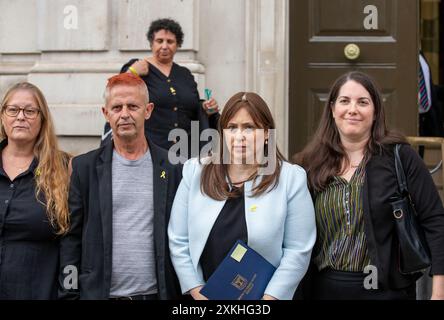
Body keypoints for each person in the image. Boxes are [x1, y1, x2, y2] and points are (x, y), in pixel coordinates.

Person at [294, 71, 444, 300]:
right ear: (333, 110)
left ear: (375, 112)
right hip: (325, 290)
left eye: (363, 102)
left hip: (385, 290)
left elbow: (435, 220)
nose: (352, 109)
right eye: (344, 101)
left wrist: (439, 292)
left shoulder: (400, 157)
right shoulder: (309, 164)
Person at [168, 92, 316, 300]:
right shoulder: (196, 171)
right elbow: (178, 239)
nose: (239, 136)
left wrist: (270, 298)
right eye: (232, 128)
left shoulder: (291, 178)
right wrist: (196, 289)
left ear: (266, 133)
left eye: (249, 127)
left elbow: (298, 250)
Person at [59, 73, 182, 300]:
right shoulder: (84, 168)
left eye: (133, 106)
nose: (124, 114)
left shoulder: (173, 167)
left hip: (157, 295)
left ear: (148, 110)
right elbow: (71, 241)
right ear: (106, 113)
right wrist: (69, 294)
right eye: (117, 107)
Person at [102, 18, 219, 156]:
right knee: (161, 177)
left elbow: (193, 108)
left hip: (186, 151)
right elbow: (116, 93)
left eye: (170, 41)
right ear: (151, 43)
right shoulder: (138, 66)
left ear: (178, 45)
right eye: (159, 41)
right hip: (151, 150)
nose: (164, 46)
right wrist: (133, 72)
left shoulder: (185, 75)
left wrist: (206, 108)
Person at [0, 82, 70, 299]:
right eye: (13, 110)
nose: (21, 117)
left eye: (30, 111)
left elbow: (74, 242)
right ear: (3, 116)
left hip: (38, 290)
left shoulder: (65, 168)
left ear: (42, 119)